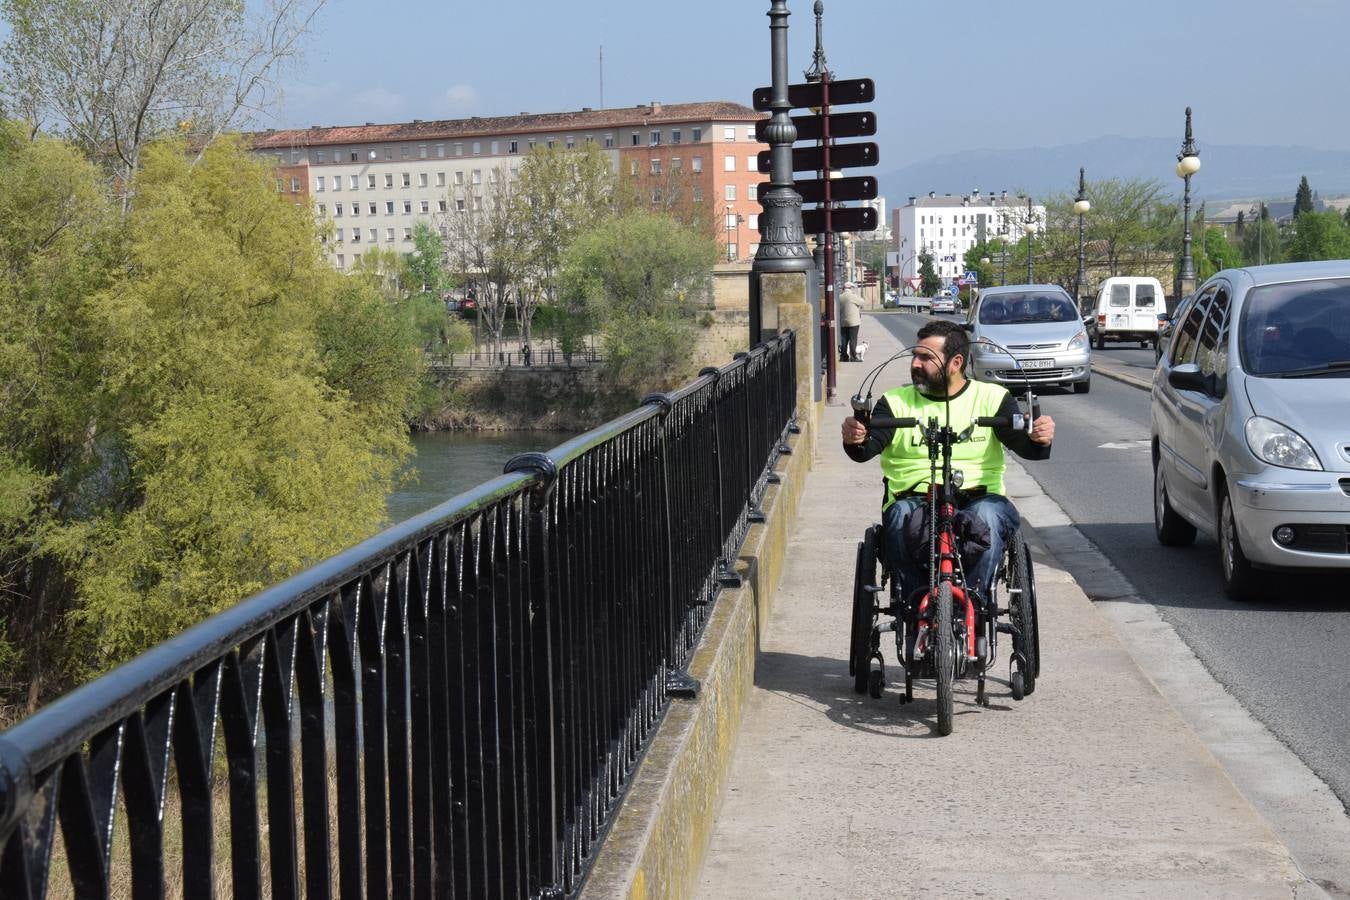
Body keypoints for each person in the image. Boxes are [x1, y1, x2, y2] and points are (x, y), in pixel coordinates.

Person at [841, 319, 1055, 603]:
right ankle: (915, 604)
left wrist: (1040, 437)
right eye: (914, 355)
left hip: (980, 498)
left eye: (926, 358)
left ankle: (976, 603)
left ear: (955, 363)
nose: (915, 363)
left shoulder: (992, 398)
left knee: (988, 520)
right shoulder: (894, 402)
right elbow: (866, 449)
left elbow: (1025, 447)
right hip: (914, 497)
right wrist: (854, 438)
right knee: (900, 519)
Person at [838, 281, 864, 362]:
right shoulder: (852, 296)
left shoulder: (840, 296)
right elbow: (862, 302)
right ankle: (853, 357)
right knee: (853, 339)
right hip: (853, 322)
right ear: (851, 288)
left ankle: (843, 356)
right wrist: (857, 293)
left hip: (843, 321)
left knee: (844, 339)